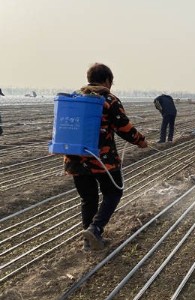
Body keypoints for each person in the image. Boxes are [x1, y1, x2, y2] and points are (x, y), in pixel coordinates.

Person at [64, 63, 147, 251]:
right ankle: (96, 228)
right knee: (113, 192)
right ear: (107, 80)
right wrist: (140, 140)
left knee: (89, 199)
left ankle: (89, 242)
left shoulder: (74, 98)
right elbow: (123, 127)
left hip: (75, 159)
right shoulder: (108, 99)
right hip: (102, 159)